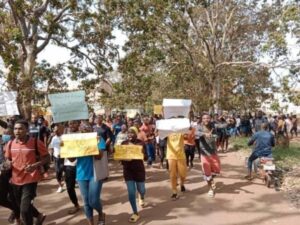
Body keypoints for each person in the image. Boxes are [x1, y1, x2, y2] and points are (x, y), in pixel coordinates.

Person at [5, 120, 49, 225]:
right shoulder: (10, 144)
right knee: (24, 207)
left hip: (30, 179)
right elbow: (8, 159)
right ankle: (38, 216)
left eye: (20, 128)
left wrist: (35, 165)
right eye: (15, 129)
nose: (17, 131)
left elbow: (47, 158)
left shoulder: (35, 142)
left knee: (24, 210)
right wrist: (8, 164)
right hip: (15, 180)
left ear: (27, 130)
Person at [75, 124, 106, 225]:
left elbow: (99, 156)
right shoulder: (76, 141)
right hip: (81, 174)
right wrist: (67, 148)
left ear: (92, 130)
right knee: (86, 202)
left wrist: (90, 144)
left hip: (95, 173)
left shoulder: (98, 139)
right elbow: (71, 159)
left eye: (87, 129)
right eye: (83, 130)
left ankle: (101, 213)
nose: (85, 131)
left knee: (93, 200)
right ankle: (91, 223)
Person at [121, 127, 147, 223]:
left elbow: (146, 157)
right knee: (131, 192)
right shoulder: (123, 143)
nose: (130, 134)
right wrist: (120, 155)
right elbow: (120, 156)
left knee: (142, 190)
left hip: (139, 171)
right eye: (128, 133)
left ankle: (142, 196)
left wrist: (136, 150)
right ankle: (135, 212)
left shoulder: (141, 143)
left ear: (136, 134)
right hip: (128, 171)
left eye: (132, 133)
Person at [197, 114, 221, 197]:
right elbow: (196, 133)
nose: (206, 119)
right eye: (204, 118)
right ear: (202, 119)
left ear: (210, 119)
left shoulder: (213, 126)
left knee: (217, 170)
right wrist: (204, 134)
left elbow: (217, 134)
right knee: (207, 172)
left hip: (213, 152)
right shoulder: (199, 126)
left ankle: (210, 178)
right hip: (204, 153)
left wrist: (213, 136)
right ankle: (210, 189)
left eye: (207, 118)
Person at [0, 127, 20, 224]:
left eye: (7, 133)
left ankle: (18, 218)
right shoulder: (2, 144)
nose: (5, 135)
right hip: (3, 176)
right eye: (4, 133)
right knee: (3, 199)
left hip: (14, 175)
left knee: (14, 198)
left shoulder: (15, 145)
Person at [63, 120, 80, 215]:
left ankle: (90, 203)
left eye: (74, 123)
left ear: (78, 123)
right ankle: (76, 205)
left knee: (85, 186)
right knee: (69, 187)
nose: (72, 125)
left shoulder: (84, 135)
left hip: (82, 164)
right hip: (69, 164)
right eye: (70, 123)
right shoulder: (65, 136)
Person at [166, 130, 187, 200]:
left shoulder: (181, 129)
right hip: (171, 155)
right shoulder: (166, 130)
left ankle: (182, 184)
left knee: (183, 174)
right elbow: (159, 136)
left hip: (181, 155)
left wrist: (186, 131)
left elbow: (186, 137)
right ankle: (174, 192)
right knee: (172, 175)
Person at [48, 124, 65, 193]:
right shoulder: (53, 138)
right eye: (54, 129)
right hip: (56, 158)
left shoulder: (64, 137)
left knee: (66, 171)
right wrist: (51, 152)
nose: (55, 130)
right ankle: (60, 186)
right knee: (58, 172)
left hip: (64, 157)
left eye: (57, 129)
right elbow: (51, 146)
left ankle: (66, 182)